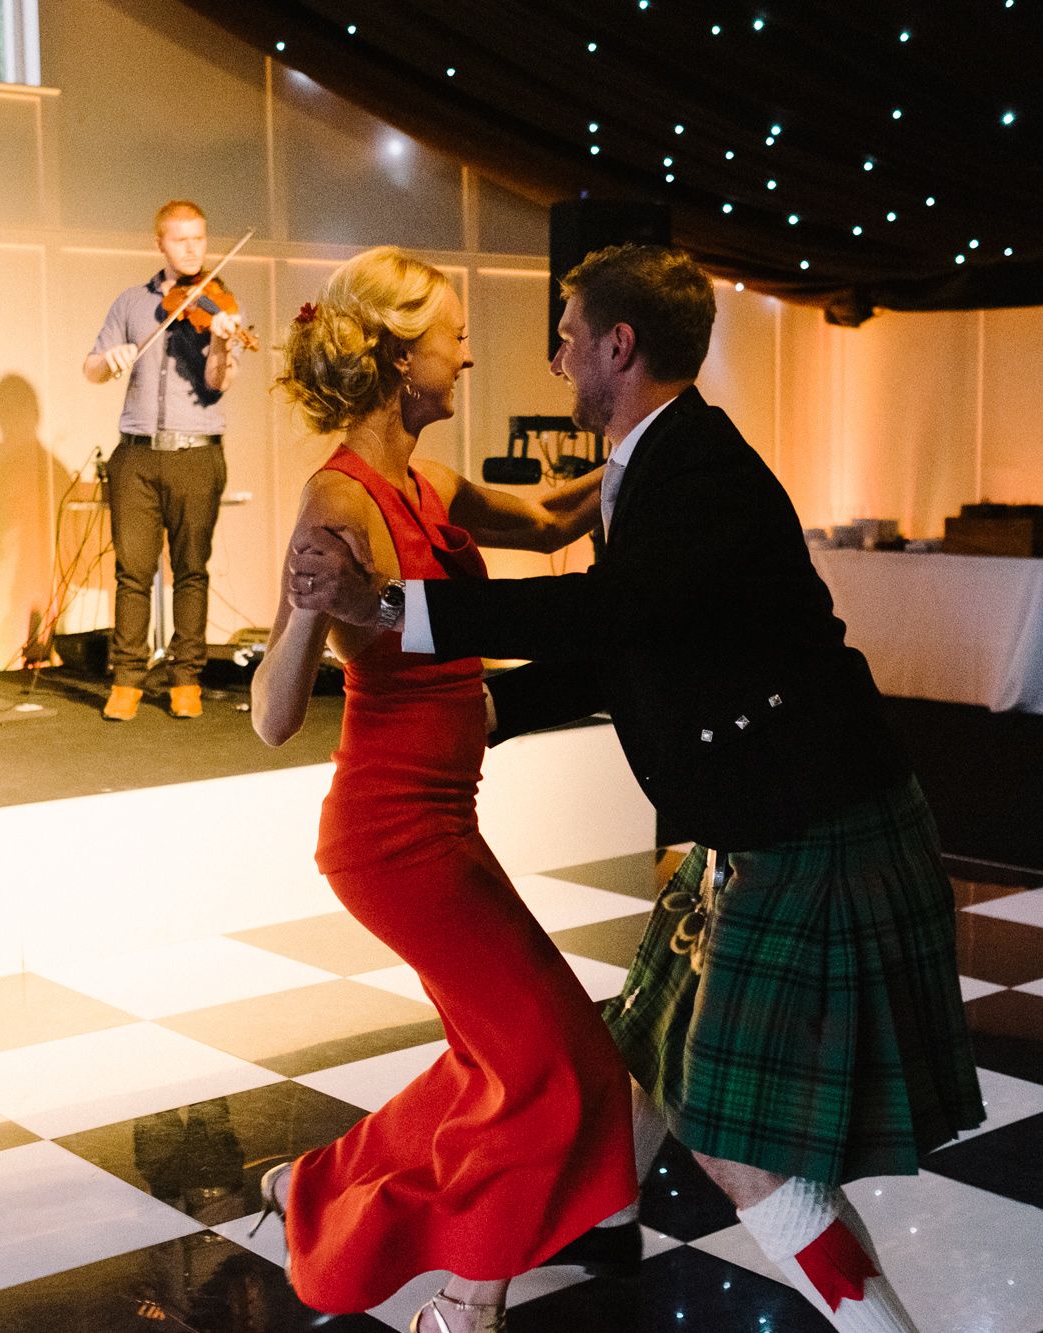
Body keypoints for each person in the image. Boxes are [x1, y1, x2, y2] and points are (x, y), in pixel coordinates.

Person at [289, 244, 985, 1333]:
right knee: (631, 1056)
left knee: (737, 1152)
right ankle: (531, 1259)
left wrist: (393, 609)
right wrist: (500, 709)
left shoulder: (694, 467)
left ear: (618, 346)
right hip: (746, 822)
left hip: (808, 826)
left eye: (567, 331)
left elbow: (602, 614)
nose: (549, 350)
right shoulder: (646, 460)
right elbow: (634, 634)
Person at [250, 247, 631, 1333]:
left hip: (440, 820)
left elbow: (557, 520)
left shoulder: (429, 483)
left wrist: (659, 444)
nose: (467, 350)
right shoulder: (341, 494)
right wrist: (298, 611)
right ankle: (464, 1303)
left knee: (494, 1054)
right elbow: (275, 716)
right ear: (393, 354)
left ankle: (313, 1186)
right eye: (451, 333)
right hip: (387, 835)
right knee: (556, 1063)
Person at [82, 199, 248, 722]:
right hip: (135, 456)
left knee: (191, 570)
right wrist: (108, 363)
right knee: (133, 571)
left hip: (196, 454)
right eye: (181, 240)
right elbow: (90, 367)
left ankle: (185, 679)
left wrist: (221, 348)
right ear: (160, 243)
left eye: (200, 238)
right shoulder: (132, 303)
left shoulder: (219, 307)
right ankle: (127, 679)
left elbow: (219, 385)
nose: (194, 249)